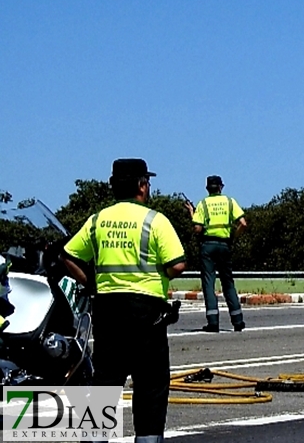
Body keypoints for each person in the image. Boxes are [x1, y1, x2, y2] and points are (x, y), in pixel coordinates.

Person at [61, 159, 187, 443]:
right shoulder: (155, 220)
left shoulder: (97, 220)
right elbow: (177, 265)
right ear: (142, 186)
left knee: (104, 384)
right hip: (147, 314)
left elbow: (68, 256)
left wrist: (91, 283)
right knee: (150, 389)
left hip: (108, 311)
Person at [185, 175, 247, 332]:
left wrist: (192, 214)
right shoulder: (229, 202)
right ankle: (238, 321)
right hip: (224, 245)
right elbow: (243, 223)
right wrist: (232, 237)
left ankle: (213, 322)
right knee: (228, 283)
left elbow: (198, 229)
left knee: (208, 283)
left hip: (208, 246)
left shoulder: (203, 204)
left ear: (207, 188)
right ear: (221, 187)